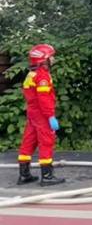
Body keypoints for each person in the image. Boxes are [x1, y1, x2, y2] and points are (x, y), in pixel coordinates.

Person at [17, 43, 65, 186]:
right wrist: (50, 116)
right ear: (43, 60)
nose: (53, 60)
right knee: (46, 142)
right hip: (42, 115)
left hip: (32, 114)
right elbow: (44, 99)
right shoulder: (42, 76)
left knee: (28, 142)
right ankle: (47, 177)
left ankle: (24, 175)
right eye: (51, 57)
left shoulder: (31, 74)